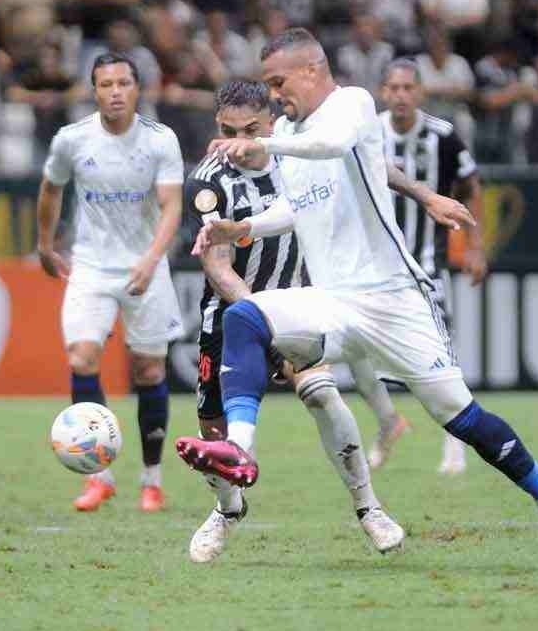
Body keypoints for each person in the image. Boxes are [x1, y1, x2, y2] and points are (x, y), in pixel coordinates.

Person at [178, 29, 538, 573]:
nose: (275, 94)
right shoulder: (287, 133)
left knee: (463, 419)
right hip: (332, 301)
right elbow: (298, 207)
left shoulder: (352, 106)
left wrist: (266, 145)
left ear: (313, 70)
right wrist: (244, 226)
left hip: (393, 301)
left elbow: (330, 145)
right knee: (245, 315)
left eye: (279, 82)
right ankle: (240, 450)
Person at [182, 79, 473, 562]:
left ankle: (370, 508)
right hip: (234, 313)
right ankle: (227, 509)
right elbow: (217, 264)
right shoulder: (208, 181)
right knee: (213, 431)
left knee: (321, 394)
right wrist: (260, 320)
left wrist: (425, 195)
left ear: (271, 122)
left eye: (250, 129)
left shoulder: (299, 150)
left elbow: (374, 167)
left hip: (304, 300)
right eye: (228, 130)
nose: (239, 142)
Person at [37, 53, 185, 514]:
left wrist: (151, 258)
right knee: (83, 358)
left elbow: (172, 207)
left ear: (138, 89)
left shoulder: (161, 141)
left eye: (124, 83)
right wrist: (44, 244)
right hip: (92, 267)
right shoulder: (72, 140)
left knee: (150, 372)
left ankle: (151, 479)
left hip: (146, 265)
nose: (115, 92)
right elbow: (50, 189)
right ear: (94, 90)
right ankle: (98, 477)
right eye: (106, 84)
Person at [360, 59, 487, 475]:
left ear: (420, 93)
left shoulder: (444, 136)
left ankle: (456, 443)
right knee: (355, 350)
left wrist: (475, 247)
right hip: (370, 266)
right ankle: (387, 423)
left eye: (407, 88)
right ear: (382, 91)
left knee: (438, 353)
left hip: (425, 266)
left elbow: (471, 187)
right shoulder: (366, 132)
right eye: (392, 88)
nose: (400, 95)